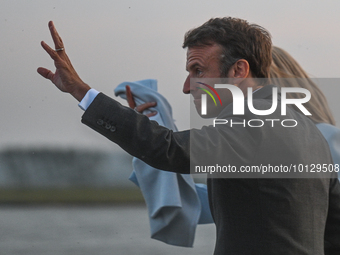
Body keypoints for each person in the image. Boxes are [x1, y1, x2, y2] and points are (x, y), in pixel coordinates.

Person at [37, 18, 340, 254]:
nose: (186, 86)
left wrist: (81, 90)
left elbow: (168, 149)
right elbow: (333, 232)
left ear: (238, 70)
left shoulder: (255, 124)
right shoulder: (308, 132)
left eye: (198, 70)